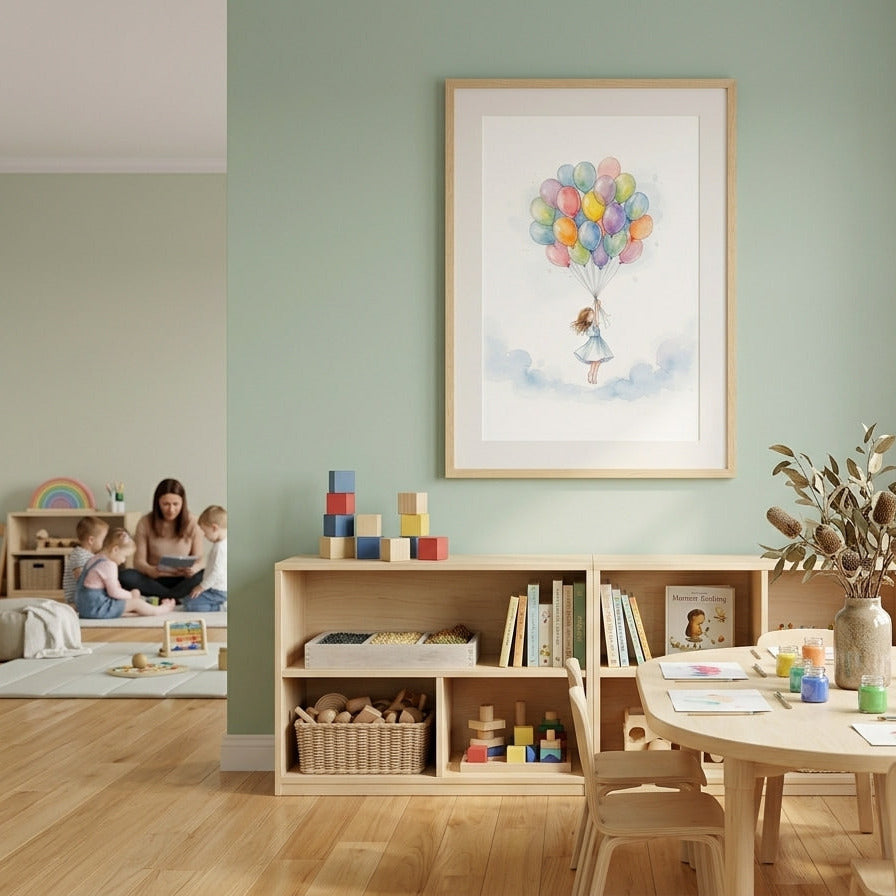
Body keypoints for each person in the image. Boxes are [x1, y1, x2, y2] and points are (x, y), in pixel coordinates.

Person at [118, 478, 204, 601]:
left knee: (205, 575)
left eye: (176, 504)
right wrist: (150, 570)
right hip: (154, 580)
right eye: (166, 504)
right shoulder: (145, 522)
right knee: (125, 576)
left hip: (183, 581)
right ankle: (174, 598)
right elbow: (138, 562)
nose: (171, 509)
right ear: (158, 502)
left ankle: (164, 598)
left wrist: (194, 569)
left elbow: (199, 559)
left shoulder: (193, 522)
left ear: (183, 503)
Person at [75, 528, 175, 619]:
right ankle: (162, 609)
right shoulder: (109, 565)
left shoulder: (94, 559)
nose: (123, 561)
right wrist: (131, 595)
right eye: (125, 556)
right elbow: (114, 592)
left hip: (84, 607)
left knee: (127, 603)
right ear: (115, 549)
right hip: (96, 608)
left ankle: (123, 611)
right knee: (136, 603)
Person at [186, 505, 227, 611]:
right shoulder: (222, 544)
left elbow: (216, 572)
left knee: (190, 604)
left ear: (214, 528)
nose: (204, 535)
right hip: (214, 588)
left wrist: (201, 587)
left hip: (217, 591)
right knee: (188, 600)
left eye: (205, 531)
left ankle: (220, 607)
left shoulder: (220, 548)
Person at [62, 516, 109, 606]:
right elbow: (81, 578)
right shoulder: (79, 554)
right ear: (91, 540)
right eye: (103, 539)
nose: (105, 543)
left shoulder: (90, 555)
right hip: (78, 598)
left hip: (86, 595)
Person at [571, 299, 614, 383]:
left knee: (597, 361)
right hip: (594, 344)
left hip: (598, 343)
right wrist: (596, 306)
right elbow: (596, 317)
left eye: (592, 314)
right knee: (595, 360)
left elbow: (596, 315)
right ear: (586, 318)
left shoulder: (594, 323)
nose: (593, 316)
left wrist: (596, 306)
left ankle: (593, 375)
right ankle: (591, 374)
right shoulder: (591, 325)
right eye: (590, 315)